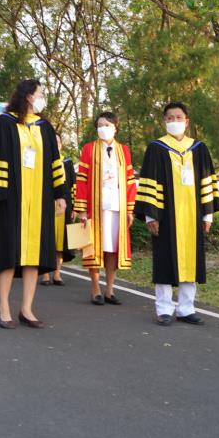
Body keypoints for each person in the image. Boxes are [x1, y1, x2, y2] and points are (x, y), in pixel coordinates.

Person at [0, 79, 67, 329]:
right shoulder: (3, 124)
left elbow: (55, 162)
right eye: (40, 94)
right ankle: (3, 308)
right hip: (10, 199)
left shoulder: (45, 127)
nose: (42, 98)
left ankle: (26, 309)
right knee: (7, 252)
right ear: (27, 96)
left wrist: (60, 194)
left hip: (40, 200)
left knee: (34, 256)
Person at [134, 101, 219, 326]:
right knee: (164, 260)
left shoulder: (199, 148)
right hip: (165, 216)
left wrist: (208, 214)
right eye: (170, 118)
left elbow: (207, 180)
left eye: (178, 117)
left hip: (193, 215)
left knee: (192, 261)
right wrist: (151, 216)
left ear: (187, 121)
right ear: (164, 121)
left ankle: (186, 308)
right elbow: (149, 181)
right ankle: (164, 309)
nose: (174, 121)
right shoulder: (156, 148)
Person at [74, 111, 136, 305]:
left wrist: (130, 209)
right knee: (92, 248)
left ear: (115, 128)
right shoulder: (89, 149)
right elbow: (82, 179)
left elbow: (130, 181)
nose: (103, 128)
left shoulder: (123, 150)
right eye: (100, 125)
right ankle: (95, 289)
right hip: (95, 206)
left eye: (107, 125)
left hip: (117, 206)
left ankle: (110, 289)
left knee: (112, 249)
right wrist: (81, 209)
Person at [41, 133, 76, 286]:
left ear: (61, 144)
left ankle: (57, 273)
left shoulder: (67, 163)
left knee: (61, 242)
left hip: (64, 206)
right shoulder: (42, 161)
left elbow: (73, 186)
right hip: (45, 206)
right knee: (45, 240)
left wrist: (74, 207)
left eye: (57, 141)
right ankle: (45, 275)